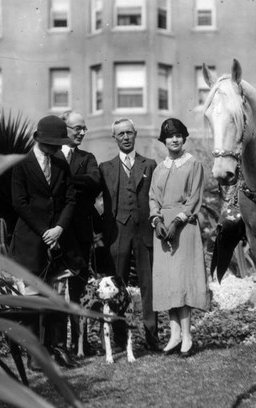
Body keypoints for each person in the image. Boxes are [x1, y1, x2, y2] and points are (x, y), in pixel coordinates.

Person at [10, 115, 85, 369]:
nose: (54, 148)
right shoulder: (21, 165)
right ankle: (35, 353)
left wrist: (59, 229)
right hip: (32, 241)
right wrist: (46, 232)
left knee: (58, 296)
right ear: (37, 139)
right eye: (50, 144)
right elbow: (19, 203)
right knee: (32, 298)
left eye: (57, 144)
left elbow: (70, 200)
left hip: (59, 240)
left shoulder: (61, 164)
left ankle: (59, 348)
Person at [149, 118, 210, 357]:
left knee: (182, 279)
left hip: (184, 227)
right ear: (164, 140)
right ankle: (174, 334)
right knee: (168, 280)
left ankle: (187, 335)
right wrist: (157, 221)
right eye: (169, 136)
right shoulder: (159, 168)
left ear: (184, 138)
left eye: (178, 135)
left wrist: (176, 221)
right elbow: (153, 197)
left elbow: (194, 197)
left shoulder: (193, 164)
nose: (174, 139)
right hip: (162, 228)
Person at [99, 118, 161, 352]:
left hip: (145, 231)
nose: (125, 137)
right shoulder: (105, 168)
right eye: (120, 134)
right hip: (117, 232)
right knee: (116, 286)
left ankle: (152, 337)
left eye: (129, 133)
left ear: (135, 135)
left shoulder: (150, 164)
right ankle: (118, 339)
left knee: (149, 285)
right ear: (113, 138)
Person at [59, 110, 101, 356]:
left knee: (79, 291)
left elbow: (94, 182)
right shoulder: (51, 156)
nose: (83, 133)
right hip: (55, 235)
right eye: (78, 128)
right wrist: (77, 181)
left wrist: (66, 181)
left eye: (84, 128)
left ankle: (80, 343)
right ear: (65, 128)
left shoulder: (87, 157)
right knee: (53, 290)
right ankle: (55, 344)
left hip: (80, 235)